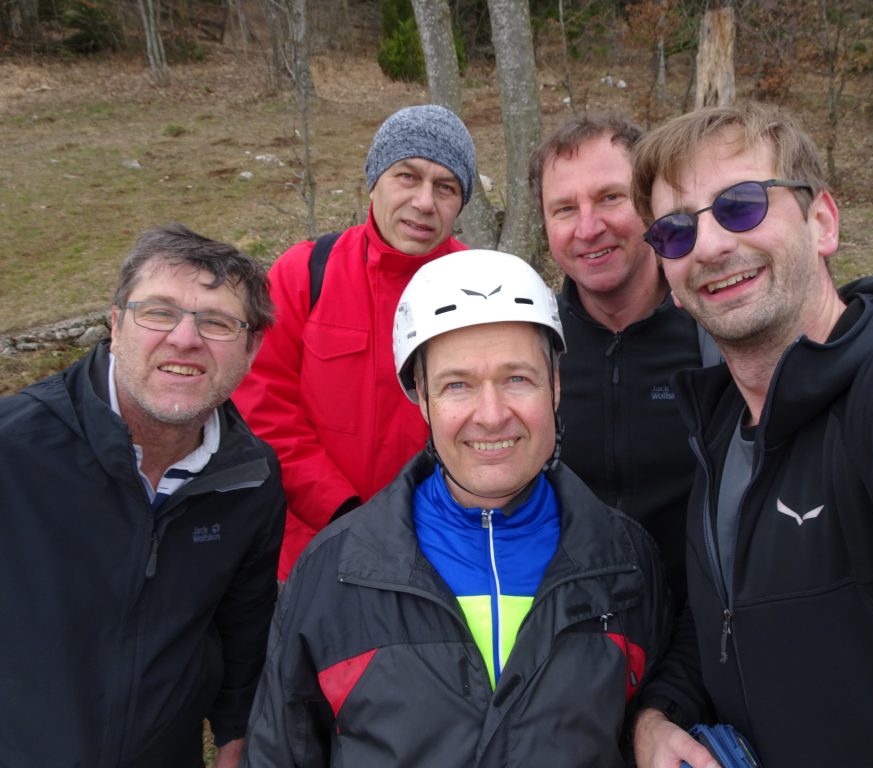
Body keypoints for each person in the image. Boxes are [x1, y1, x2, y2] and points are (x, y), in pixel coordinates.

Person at [627, 101, 873, 767]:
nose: (711, 244)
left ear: (822, 223)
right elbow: (726, 612)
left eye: (742, 205)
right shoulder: (720, 429)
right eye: (674, 230)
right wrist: (659, 714)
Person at [241, 250, 672, 767]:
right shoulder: (333, 575)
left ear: (555, 386)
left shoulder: (627, 562)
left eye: (517, 378)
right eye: (457, 385)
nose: (491, 416)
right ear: (421, 398)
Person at [0, 223, 286, 767]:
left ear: (252, 348)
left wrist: (236, 739)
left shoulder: (251, 478)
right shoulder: (13, 450)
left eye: (218, 322)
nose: (185, 338)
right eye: (158, 312)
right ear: (114, 324)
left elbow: (244, 628)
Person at [232, 104, 477, 580]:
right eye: (408, 176)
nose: (424, 202)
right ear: (374, 181)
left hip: (440, 552)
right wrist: (341, 511)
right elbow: (262, 408)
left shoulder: (480, 287)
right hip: (314, 550)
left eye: (445, 187)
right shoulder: (304, 274)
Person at [528, 112, 712, 600]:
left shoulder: (718, 333)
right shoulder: (529, 349)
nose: (589, 228)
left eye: (611, 197)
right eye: (564, 209)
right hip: (570, 634)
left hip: (706, 634)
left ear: (651, 204)